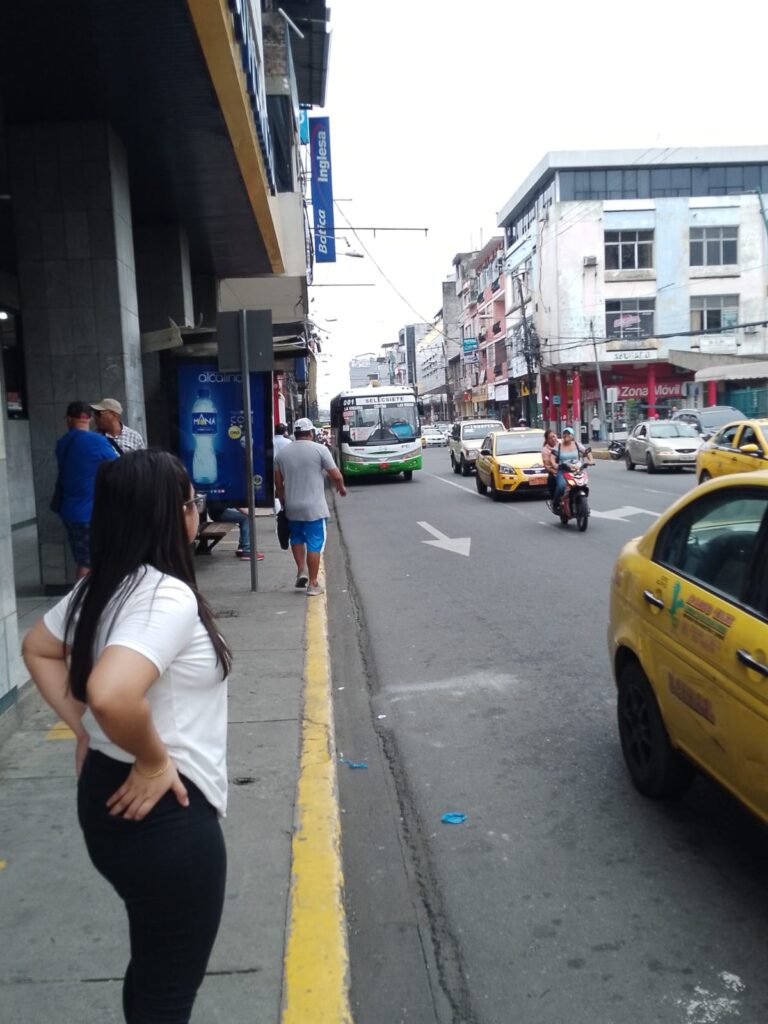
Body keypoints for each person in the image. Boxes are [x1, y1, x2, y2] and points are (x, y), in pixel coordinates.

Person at [22, 449, 232, 1023]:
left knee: (154, 970)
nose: (196, 511)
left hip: (107, 803)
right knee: (168, 992)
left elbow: (37, 648)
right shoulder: (166, 594)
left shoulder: (102, 586)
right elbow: (114, 692)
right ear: (174, 515)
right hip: (164, 816)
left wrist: (84, 729)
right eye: (192, 502)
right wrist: (153, 759)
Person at [274, 416, 346, 596]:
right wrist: (341, 487)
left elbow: (279, 485)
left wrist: (283, 503)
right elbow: (336, 475)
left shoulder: (281, 454)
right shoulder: (320, 449)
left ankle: (301, 571)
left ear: (296, 433)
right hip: (314, 508)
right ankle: (313, 584)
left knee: (297, 538)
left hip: (292, 506)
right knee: (314, 543)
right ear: (311, 433)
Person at [55, 401, 120, 578]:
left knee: (84, 560)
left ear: (68, 419)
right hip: (91, 513)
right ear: (90, 419)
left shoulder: (62, 443)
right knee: (91, 563)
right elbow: (119, 467)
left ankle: (89, 600)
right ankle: (86, 602)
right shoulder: (97, 441)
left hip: (69, 511)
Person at [553, 426, 593, 510]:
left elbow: (586, 452)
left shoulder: (577, 445)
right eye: (565, 433)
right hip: (563, 470)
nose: (566, 435)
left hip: (577, 470)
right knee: (561, 486)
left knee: (582, 484)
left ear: (573, 436)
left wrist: (590, 460)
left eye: (569, 433)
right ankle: (556, 503)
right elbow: (552, 457)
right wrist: (554, 464)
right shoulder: (559, 446)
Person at [541, 429, 559, 503]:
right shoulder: (545, 450)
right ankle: (554, 500)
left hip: (567, 469)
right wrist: (553, 471)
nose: (553, 439)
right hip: (555, 471)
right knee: (551, 479)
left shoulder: (562, 443)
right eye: (550, 438)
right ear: (547, 440)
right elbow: (547, 466)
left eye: (554, 436)